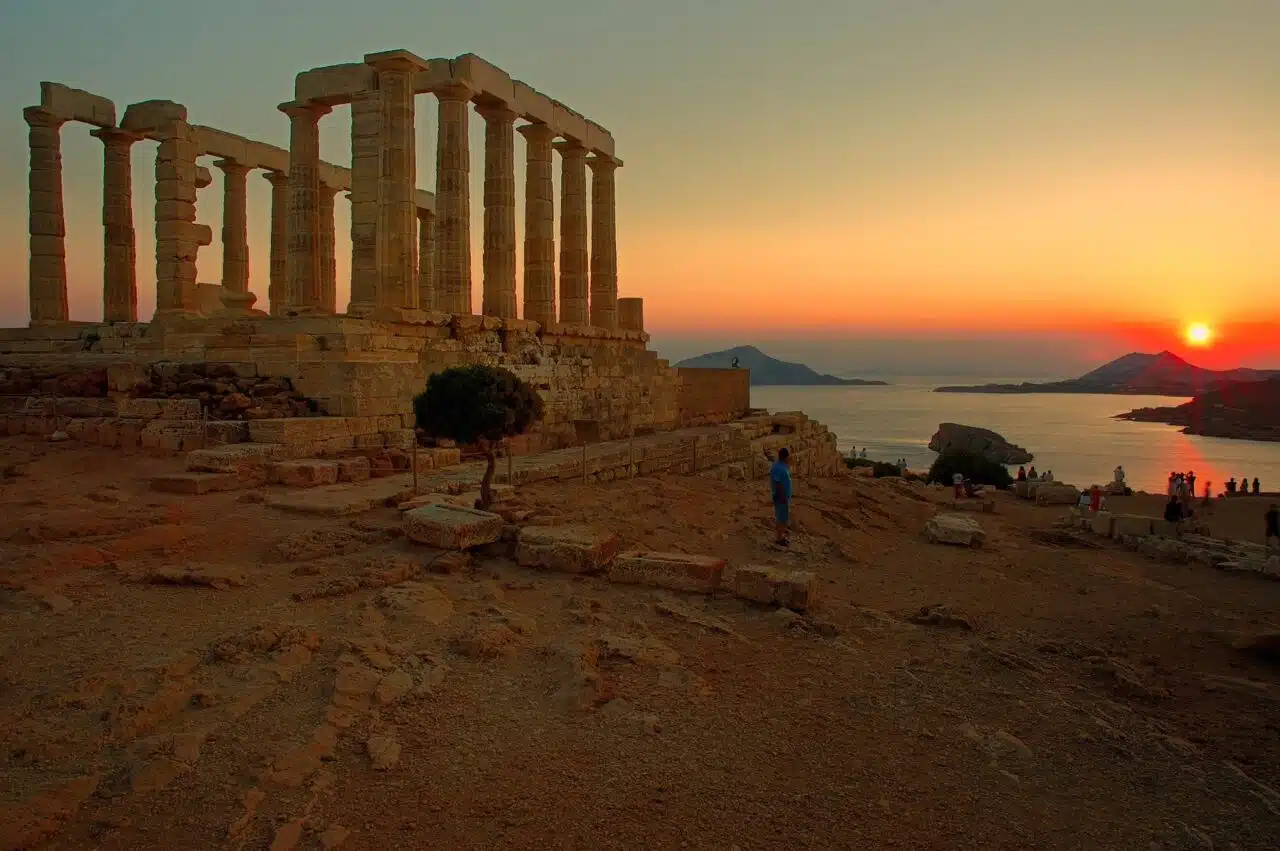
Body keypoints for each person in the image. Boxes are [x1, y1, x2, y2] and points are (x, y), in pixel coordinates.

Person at [769, 447, 793, 547]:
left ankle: (781, 536)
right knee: (781, 518)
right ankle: (779, 538)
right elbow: (777, 483)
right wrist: (782, 496)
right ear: (786, 456)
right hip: (781, 497)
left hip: (782, 496)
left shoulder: (780, 465)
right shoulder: (779, 468)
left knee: (782, 517)